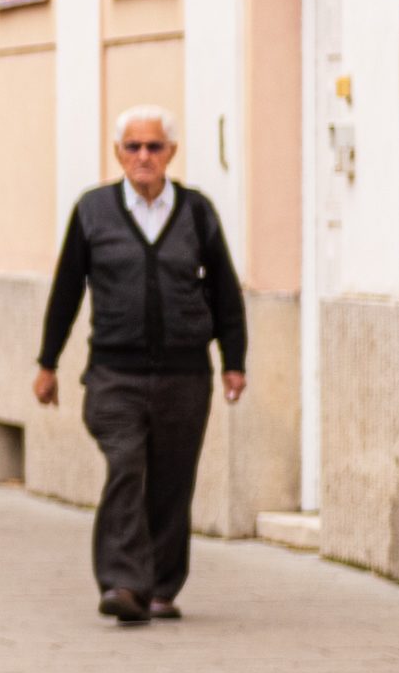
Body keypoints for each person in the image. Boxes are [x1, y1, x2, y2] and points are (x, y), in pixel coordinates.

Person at [34, 106, 249, 625]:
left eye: (154, 147)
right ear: (118, 153)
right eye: (133, 147)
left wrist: (233, 361)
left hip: (184, 373)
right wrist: (48, 362)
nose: (143, 156)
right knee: (127, 466)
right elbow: (66, 290)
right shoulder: (93, 211)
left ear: (171, 152)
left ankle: (162, 587)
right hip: (114, 373)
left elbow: (225, 291)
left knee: (173, 481)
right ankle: (124, 582)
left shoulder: (197, 212)